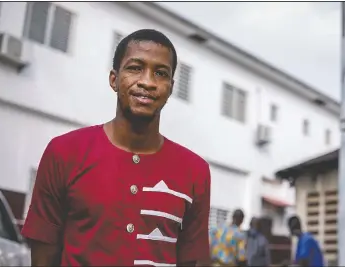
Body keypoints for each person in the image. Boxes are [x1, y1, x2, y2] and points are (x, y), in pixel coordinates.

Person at [21, 29, 211, 267]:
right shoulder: (64, 152)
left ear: (171, 87)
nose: (147, 82)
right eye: (135, 68)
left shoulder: (195, 171)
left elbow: (192, 260)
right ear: (114, 79)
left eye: (160, 73)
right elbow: (43, 256)